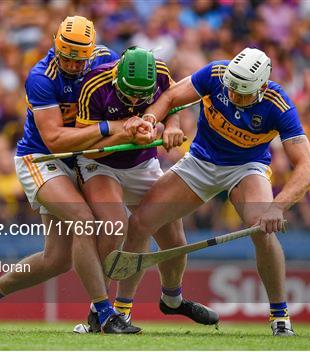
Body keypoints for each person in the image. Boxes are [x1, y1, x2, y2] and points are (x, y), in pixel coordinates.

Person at [0, 16, 147, 334]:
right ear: (56, 48)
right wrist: (111, 128)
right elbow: (55, 138)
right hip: (42, 158)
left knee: (57, 259)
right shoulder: (40, 78)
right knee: (84, 220)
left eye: (80, 60)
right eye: (67, 58)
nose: (74, 66)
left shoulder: (106, 60)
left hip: (77, 160)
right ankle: (103, 313)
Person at [120, 47, 310, 336]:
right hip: (201, 161)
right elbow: (173, 96)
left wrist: (277, 207)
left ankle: (280, 316)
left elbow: (306, 168)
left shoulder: (279, 105)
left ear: (262, 87)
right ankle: (123, 311)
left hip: (246, 167)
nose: (234, 98)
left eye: (243, 94)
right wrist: (151, 121)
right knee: (140, 223)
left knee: (262, 229)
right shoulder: (216, 74)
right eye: (231, 92)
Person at [74, 47, 219, 332]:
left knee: (174, 238)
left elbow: (173, 101)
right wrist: (121, 129)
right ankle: (100, 311)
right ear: (117, 79)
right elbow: (84, 147)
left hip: (142, 164)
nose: (137, 101)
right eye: (130, 95)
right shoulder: (94, 84)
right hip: (100, 165)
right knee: (116, 226)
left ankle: (171, 300)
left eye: (143, 96)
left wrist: (172, 126)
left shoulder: (162, 73)